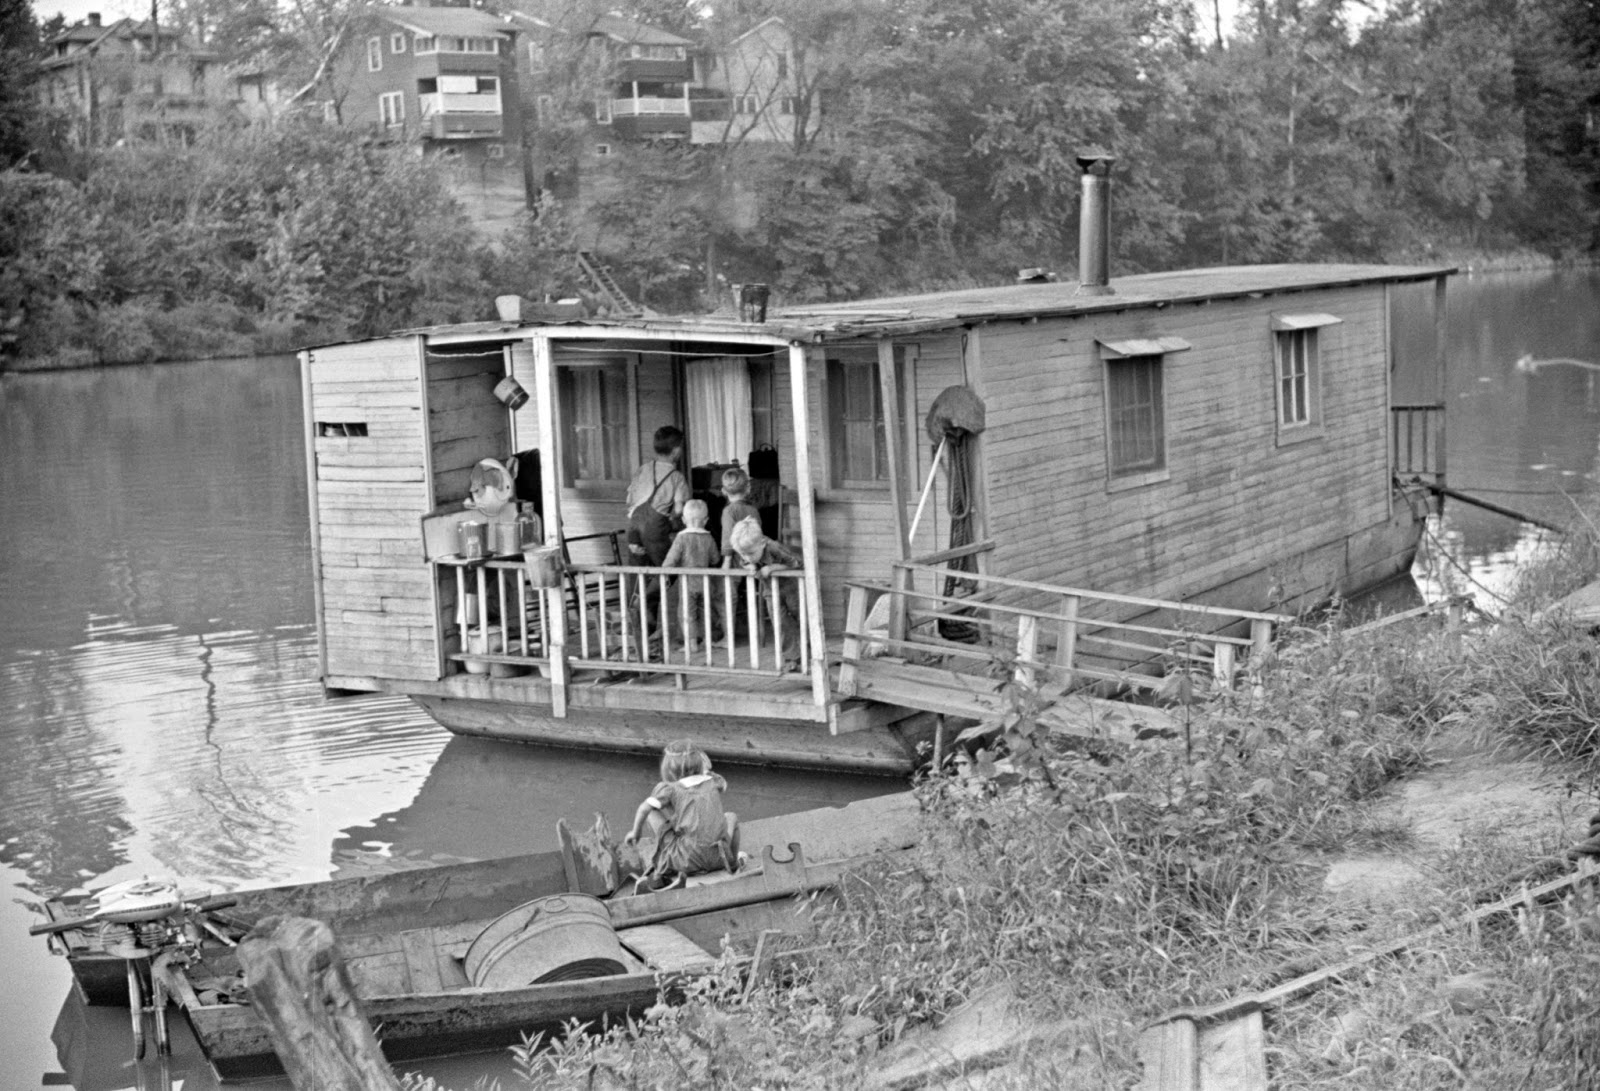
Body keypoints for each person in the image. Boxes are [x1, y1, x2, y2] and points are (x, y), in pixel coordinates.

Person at [623, 740, 741, 894]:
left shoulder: (670, 789)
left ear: (669, 769)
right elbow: (723, 785)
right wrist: (706, 768)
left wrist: (635, 832)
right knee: (731, 817)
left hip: (686, 860)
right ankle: (733, 863)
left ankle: (661, 869)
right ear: (701, 763)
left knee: (652, 811)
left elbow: (644, 808)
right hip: (718, 856)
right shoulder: (713, 781)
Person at [728, 515, 805, 671]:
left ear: (762, 543)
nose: (747, 557)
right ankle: (792, 658)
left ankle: (810, 649)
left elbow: (797, 564)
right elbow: (744, 562)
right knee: (779, 621)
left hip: (792, 587)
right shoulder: (746, 549)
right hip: (771, 590)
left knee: (801, 617)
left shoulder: (773, 548)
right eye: (743, 554)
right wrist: (749, 566)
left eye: (750, 554)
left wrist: (773, 568)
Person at [661, 499, 721, 653]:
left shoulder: (681, 538)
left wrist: (665, 572)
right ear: (706, 520)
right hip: (705, 582)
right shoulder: (708, 538)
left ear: (683, 520)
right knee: (705, 611)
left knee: (687, 613)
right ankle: (707, 640)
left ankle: (692, 643)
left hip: (688, 583)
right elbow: (715, 559)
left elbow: (671, 560)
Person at [624, 426, 690, 566]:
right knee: (667, 568)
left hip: (633, 525)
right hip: (655, 529)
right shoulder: (676, 477)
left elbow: (629, 500)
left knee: (638, 572)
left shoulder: (643, 469)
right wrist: (671, 522)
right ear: (676, 450)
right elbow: (679, 510)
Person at [718, 467, 761, 551]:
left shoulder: (728, 511)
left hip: (737, 554)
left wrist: (727, 557)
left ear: (724, 491)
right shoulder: (753, 509)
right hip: (753, 553)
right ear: (748, 488)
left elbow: (727, 537)